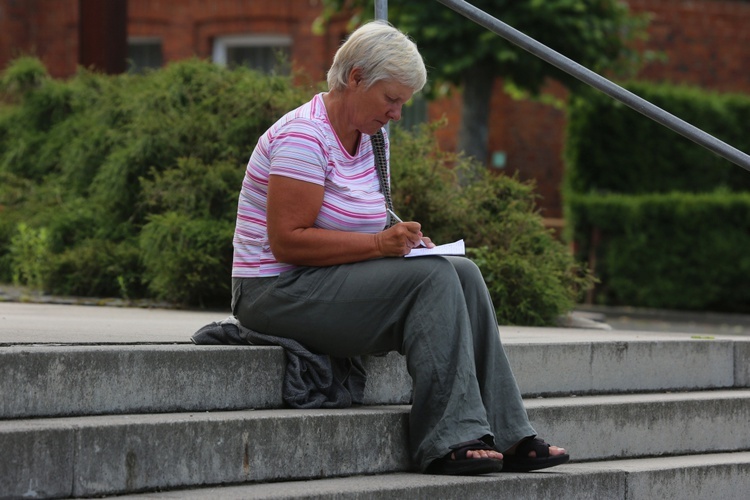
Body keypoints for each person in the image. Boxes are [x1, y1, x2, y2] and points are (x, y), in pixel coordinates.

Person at [230, 20, 569, 475]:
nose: (396, 114)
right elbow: (288, 242)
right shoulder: (303, 137)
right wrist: (377, 245)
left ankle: (509, 433)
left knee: (460, 271)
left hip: (325, 283)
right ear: (354, 79)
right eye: (391, 99)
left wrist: (406, 241)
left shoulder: (372, 137)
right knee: (432, 278)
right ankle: (447, 439)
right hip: (273, 292)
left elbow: (368, 216)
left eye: (403, 103)